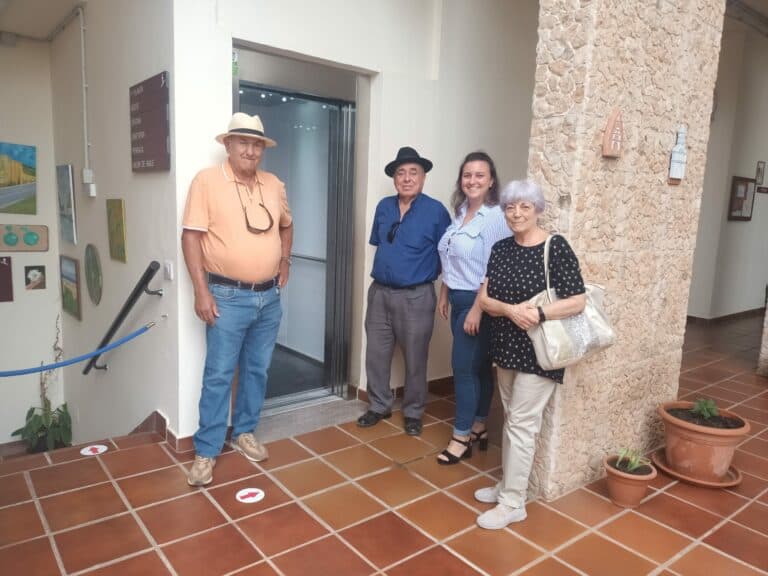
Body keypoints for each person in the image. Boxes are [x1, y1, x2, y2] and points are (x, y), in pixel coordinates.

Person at [181, 113, 293, 486]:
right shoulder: (207, 181)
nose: (250, 149)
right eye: (242, 142)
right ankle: (206, 451)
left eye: (257, 144)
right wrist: (201, 291)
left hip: (268, 298)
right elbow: (191, 237)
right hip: (226, 297)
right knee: (218, 375)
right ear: (227, 145)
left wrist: (284, 260)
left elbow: (287, 225)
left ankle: (244, 431)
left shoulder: (274, 183)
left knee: (257, 370)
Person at [475, 179, 586, 529]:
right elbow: (486, 300)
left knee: (522, 424)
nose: (516, 213)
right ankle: (509, 485)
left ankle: (513, 503)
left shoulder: (555, 247)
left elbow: (578, 300)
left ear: (537, 209)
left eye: (524, 206)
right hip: (506, 348)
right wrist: (510, 310)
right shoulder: (502, 249)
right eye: (510, 207)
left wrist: (537, 314)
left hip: (541, 352)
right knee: (513, 420)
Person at [357, 146, 451, 436]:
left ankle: (412, 412)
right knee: (376, 354)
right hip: (380, 294)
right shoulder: (384, 207)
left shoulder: (436, 211)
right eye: (401, 173)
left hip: (416, 295)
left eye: (413, 172)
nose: (407, 178)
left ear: (423, 177)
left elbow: (450, 255)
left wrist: (445, 292)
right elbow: (380, 243)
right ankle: (379, 405)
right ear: (395, 179)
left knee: (415, 358)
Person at [436, 152, 510, 464]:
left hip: (477, 302)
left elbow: (496, 267)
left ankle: (461, 436)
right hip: (457, 298)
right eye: (467, 175)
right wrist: (444, 291)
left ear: (491, 180)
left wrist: (479, 308)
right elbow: (450, 256)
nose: (473, 181)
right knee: (478, 367)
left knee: (463, 369)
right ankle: (480, 425)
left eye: (480, 175)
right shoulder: (461, 212)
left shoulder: (495, 217)